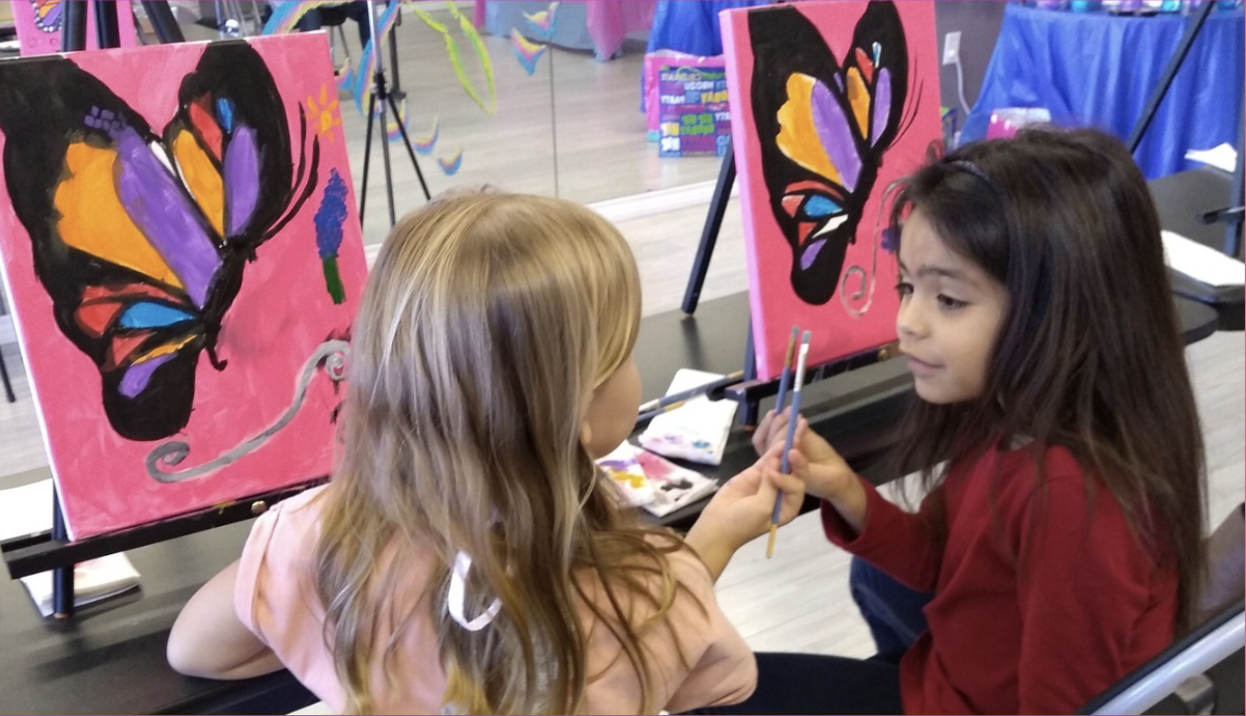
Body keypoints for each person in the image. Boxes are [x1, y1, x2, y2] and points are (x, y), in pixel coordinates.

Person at [166, 189, 807, 714]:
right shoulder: (649, 586)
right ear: (573, 412)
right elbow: (714, 685)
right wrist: (712, 542)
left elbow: (197, 650)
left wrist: (348, 630)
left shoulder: (313, 540)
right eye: (625, 353)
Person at [739, 127, 1207, 714]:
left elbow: (1063, 705)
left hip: (955, 697)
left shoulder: (1073, 498)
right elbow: (942, 564)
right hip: (941, 682)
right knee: (728, 680)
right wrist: (839, 486)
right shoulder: (1008, 418)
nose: (907, 321)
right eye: (907, 286)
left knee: (719, 689)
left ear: (1061, 309)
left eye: (949, 300)